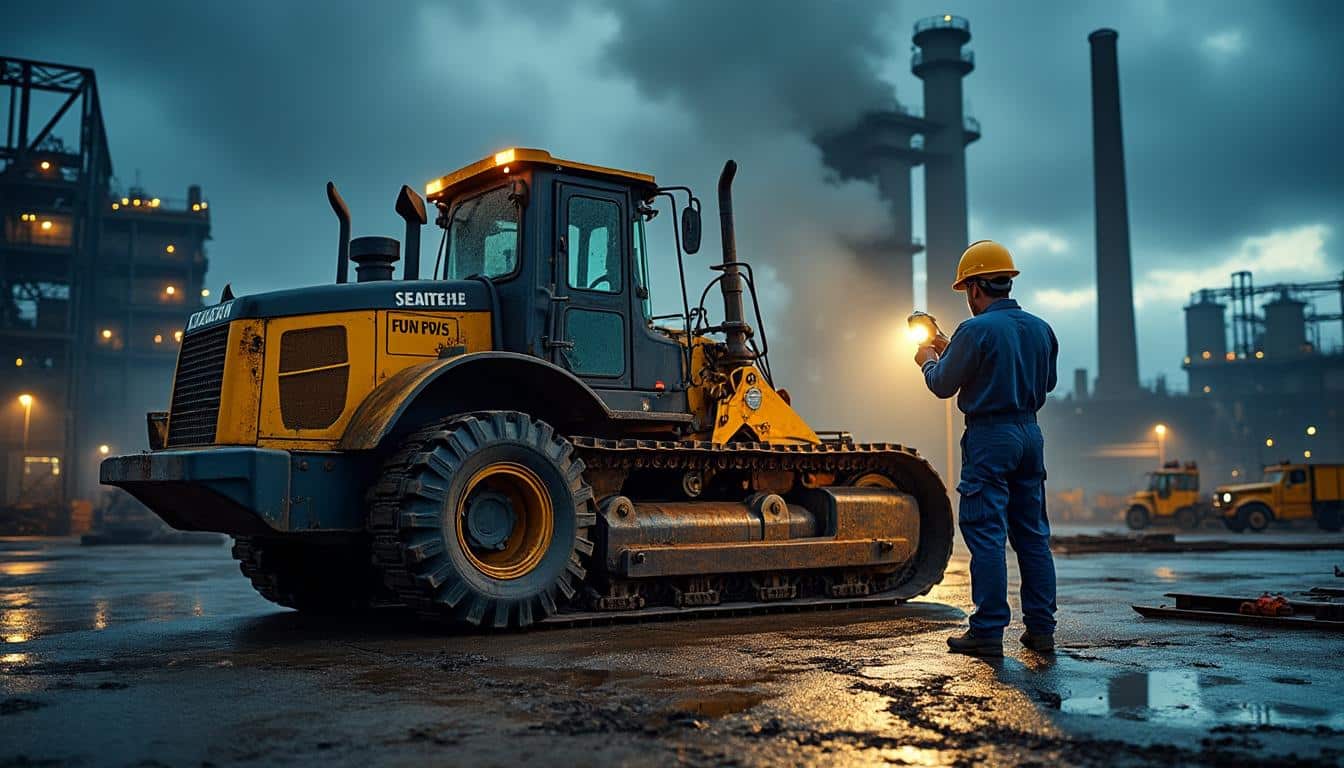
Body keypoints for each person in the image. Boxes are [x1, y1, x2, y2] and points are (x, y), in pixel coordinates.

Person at [913, 240, 1059, 657]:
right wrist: (951, 347)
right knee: (1032, 535)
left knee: (987, 534)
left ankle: (988, 631)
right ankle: (1042, 630)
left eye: (967, 292)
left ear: (976, 288)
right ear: (1007, 282)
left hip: (991, 436)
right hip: (1030, 435)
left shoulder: (974, 330)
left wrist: (927, 358)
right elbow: (1045, 383)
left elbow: (942, 384)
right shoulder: (1040, 328)